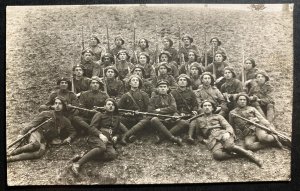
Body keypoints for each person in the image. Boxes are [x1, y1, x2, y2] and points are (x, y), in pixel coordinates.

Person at [188, 100, 262, 167]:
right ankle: (240, 154)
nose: (207, 107)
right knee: (217, 155)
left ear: (213, 108)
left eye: (209, 105)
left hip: (223, 134)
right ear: (202, 108)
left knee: (228, 146)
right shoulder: (198, 120)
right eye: (205, 106)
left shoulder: (218, 116)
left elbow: (228, 126)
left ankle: (251, 155)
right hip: (212, 139)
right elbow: (198, 134)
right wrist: (203, 140)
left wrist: (228, 133)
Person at [7, 97, 77, 162]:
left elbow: (73, 131)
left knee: (39, 153)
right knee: (36, 145)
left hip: (45, 139)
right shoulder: (45, 113)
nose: (57, 105)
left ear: (64, 106)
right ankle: (13, 152)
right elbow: (32, 124)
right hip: (36, 133)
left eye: (60, 103)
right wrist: (22, 133)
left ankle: (11, 159)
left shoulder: (65, 120)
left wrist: (69, 138)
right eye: (56, 103)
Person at [71, 98, 128, 175]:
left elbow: (117, 132)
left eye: (113, 105)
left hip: (108, 140)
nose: (111, 106)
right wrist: (100, 135)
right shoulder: (99, 115)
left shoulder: (117, 118)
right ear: (104, 106)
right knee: (102, 148)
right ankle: (77, 164)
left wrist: (116, 137)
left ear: (114, 107)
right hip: (96, 137)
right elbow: (92, 127)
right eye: (109, 104)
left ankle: (84, 155)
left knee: (112, 155)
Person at [149, 80, 187, 146]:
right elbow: (150, 110)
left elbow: (173, 108)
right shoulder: (153, 98)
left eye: (164, 87)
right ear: (157, 89)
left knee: (184, 122)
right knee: (154, 119)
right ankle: (174, 138)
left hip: (170, 119)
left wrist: (159, 110)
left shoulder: (171, 97)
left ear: (167, 88)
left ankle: (162, 137)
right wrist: (167, 111)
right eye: (160, 87)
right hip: (160, 120)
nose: (163, 88)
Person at [118, 74, 151, 145]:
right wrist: (125, 114)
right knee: (116, 119)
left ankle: (125, 135)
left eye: (137, 80)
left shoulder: (144, 95)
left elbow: (149, 109)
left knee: (146, 120)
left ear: (139, 83)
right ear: (130, 83)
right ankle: (130, 135)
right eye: (133, 80)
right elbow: (118, 109)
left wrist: (140, 113)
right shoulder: (125, 96)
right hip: (128, 118)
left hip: (140, 118)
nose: (135, 82)